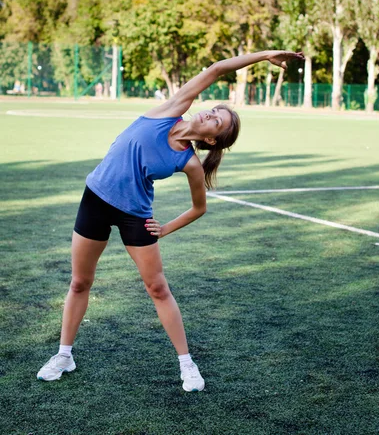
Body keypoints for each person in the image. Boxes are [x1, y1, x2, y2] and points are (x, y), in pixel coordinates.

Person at [37, 49, 304, 391]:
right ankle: (64, 355)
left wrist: (163, 229)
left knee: (158, 288)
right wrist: (264, 55)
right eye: (214, 110)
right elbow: (218, 68)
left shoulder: (190, 163)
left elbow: (199, 207)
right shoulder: (171, 109)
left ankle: (187, 364)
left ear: (210, 139)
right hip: (96, 199)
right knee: (79, 283)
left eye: (216, 121)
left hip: (135, 214)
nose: (209, 113)